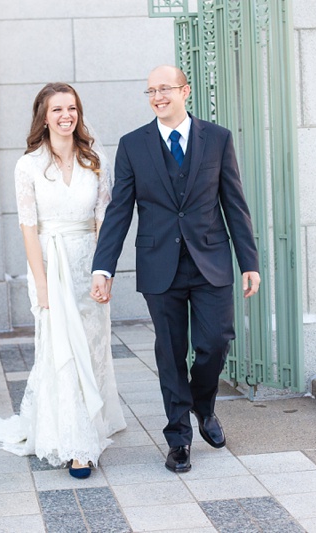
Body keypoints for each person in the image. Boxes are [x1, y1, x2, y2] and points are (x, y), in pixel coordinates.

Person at [90, 65, 261, 474]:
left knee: (215, 342)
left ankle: (204, 406)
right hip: (158, 265)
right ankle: (179, 437)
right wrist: (103, 267)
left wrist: (248, 261)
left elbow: (233, 203)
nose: (157, 97)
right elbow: (119, 211)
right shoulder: (133, 145)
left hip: (212, 261)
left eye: (164, 89)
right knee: (169, 353)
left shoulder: (217, 139)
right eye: (150, 91)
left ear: (185, 91)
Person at [0, 83, 126, 479]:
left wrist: (103, 271)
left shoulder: (96, 160)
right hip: (48, 264)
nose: (66, 116)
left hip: (87, 265)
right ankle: (78, 445)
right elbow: (28, 229)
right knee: (60, 350)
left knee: (90, 348)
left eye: (72, 108)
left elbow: (103, 221)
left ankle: (91, 423)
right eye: (57, 109)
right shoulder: (27, 166)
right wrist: (41, 284)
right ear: (44, 117)